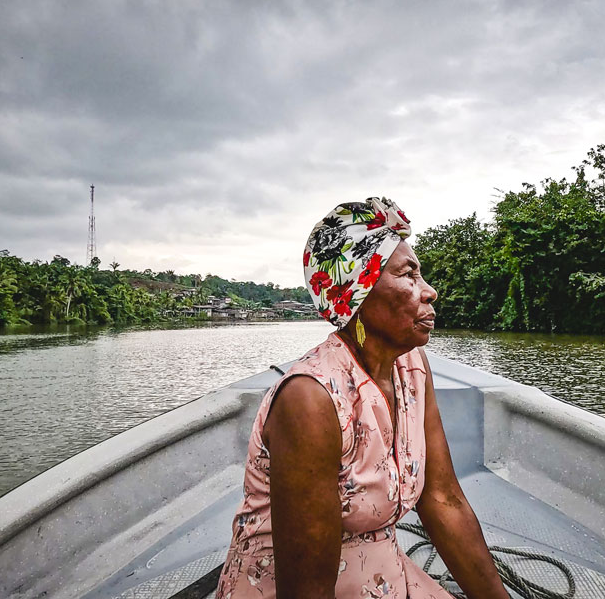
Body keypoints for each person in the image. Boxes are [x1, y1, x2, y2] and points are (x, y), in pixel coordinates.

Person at [215, 198, 510, 598]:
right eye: (409, 275)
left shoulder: (413, 368)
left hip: (379, 572)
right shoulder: (311, 400)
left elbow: (443, 499)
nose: (430, 292)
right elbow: (307, 591)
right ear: (360, 294)